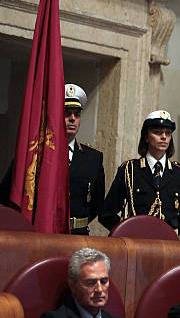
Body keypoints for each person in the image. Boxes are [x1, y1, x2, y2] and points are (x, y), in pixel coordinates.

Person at [0, 84, 105, 235]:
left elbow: (96, 204)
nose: (72, 119)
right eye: (67, 113)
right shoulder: (33, 154)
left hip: (76, 234)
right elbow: (6, 195)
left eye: (77, 114)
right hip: (40, 232)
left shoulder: (93, 158)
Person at [99, 110, 180, 235]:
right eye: (157, 132)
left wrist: (170, 234)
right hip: (136, 243)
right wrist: (127, 231)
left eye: (168, 133)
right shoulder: (130, 170)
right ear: (146, 136)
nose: (164, 137)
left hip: (168, 246)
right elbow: (106, 214)